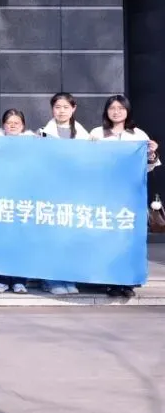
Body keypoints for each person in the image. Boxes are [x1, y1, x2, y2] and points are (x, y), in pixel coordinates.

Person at [89, 95, 160, 298]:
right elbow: (87, 161)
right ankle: (110, 281)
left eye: (121, 108)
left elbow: (148, 166)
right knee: (107, 237)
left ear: (127, 111)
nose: (116, 112)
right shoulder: (96, 134)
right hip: (104, 193)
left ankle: (128, 281)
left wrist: (151, 153)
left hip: (130, 195)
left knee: (129, 239)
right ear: (106, 111)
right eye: (112, 108)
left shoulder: (138, 135)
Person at [0, 110, 34, 295]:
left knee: (21, 241)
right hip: (1, 197)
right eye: (9, 122)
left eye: (17, 122)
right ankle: (1, 279)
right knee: (1, 240)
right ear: (3, 125)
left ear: (23, 126)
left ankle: (19, 281)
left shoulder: (33, 145)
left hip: (24, 198)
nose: (13, 125)